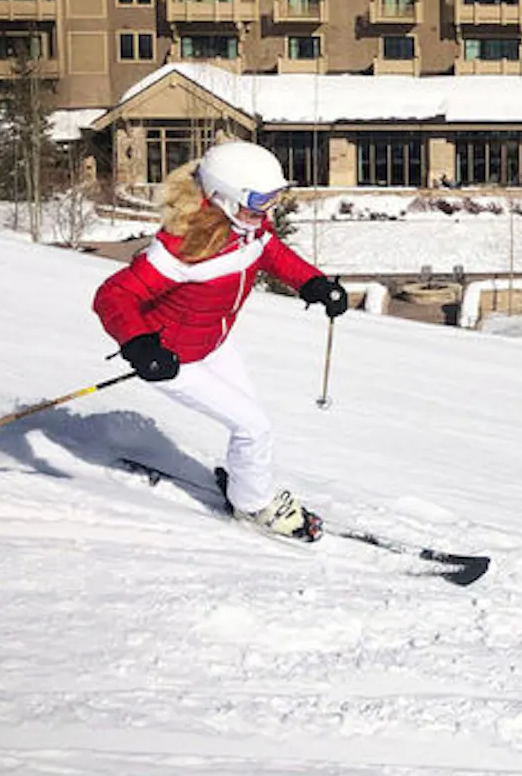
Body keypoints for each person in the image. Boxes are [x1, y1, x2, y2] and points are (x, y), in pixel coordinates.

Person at [93, 141, 348, 540]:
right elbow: (113, 296)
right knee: (254, 427)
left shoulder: (248, 227)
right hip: (174, 359)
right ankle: (253, 506)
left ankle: (247, 482)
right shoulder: (183, 247)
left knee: (250, 422)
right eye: (258, 202)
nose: (266, 212)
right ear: (223, 199)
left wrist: (313, 284)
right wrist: (140, 346)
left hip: (213, 344)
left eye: (273, 200)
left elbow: (273, 254)